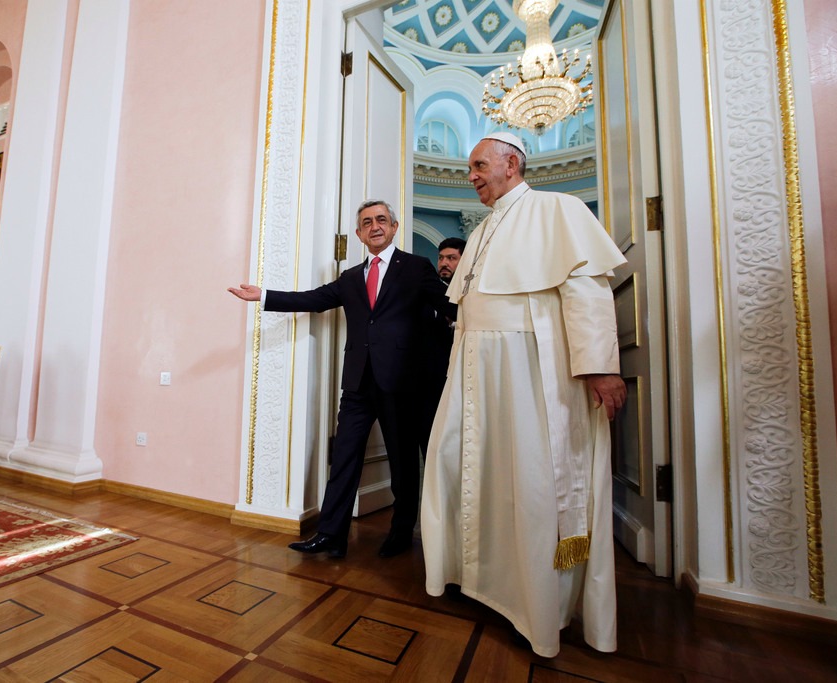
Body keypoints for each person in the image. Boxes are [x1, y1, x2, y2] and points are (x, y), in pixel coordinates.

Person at [420, 132, 628, 658]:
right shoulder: (485, 228)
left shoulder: (557, 209)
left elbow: (586, 291)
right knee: (474, 473)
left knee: (530, 480)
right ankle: (486, 582)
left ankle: (540, 604)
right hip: (472, 371)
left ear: (512, 163)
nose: (471, 176)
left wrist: (601, 367)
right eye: (470, 168)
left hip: (529, 371)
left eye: (478, 165)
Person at [229, 200, 447, 559]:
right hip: (358, 383)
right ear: (359, 235)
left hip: (402, 382)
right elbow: (315, 299)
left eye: (381, 220)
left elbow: (447, 305)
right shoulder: (350, 278)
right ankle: (331, 534)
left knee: (402, 460)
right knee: (343, 456)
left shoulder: (416, 267)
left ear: (393, 227)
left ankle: (401, 529)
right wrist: (263, 295)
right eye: (366, 222)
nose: (374, 226)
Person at [417, 237, 466, 458]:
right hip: (429, 383)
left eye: (451, 258)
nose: (444, 263)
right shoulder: (425, 292)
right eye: (441, 258)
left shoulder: (472, 294)